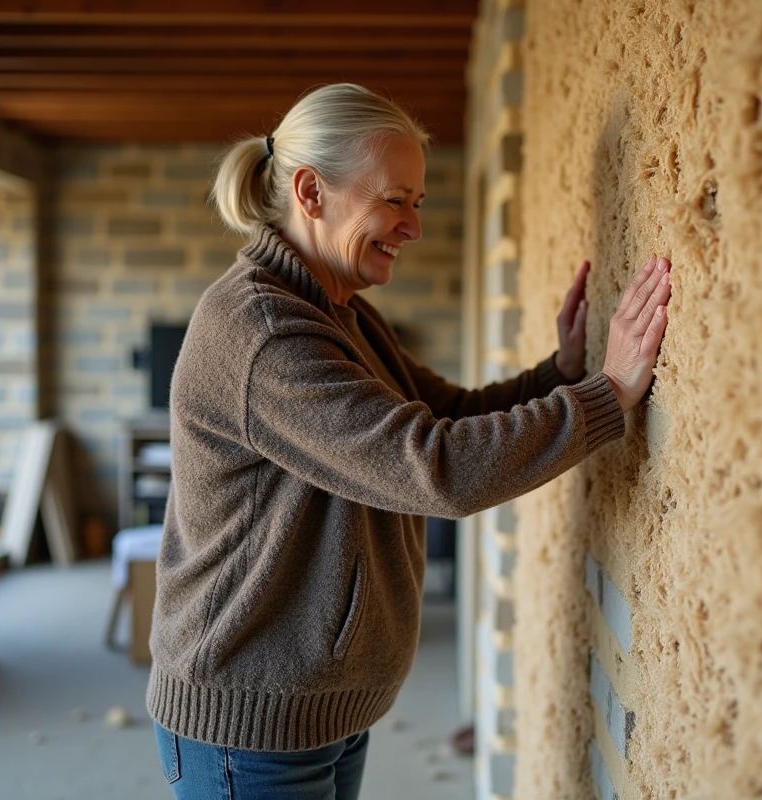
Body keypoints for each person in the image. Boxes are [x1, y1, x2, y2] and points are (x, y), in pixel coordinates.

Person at [147, 83, 672, 800]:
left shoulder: (340, 313)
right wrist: (608, 394)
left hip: (312, 707)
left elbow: (447, 414)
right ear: (310, 191)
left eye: (416, 204)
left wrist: (562, 373)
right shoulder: (264, 331)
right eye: (394, 200)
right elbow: (437, 469)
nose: (411, 226)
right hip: (248, 724)